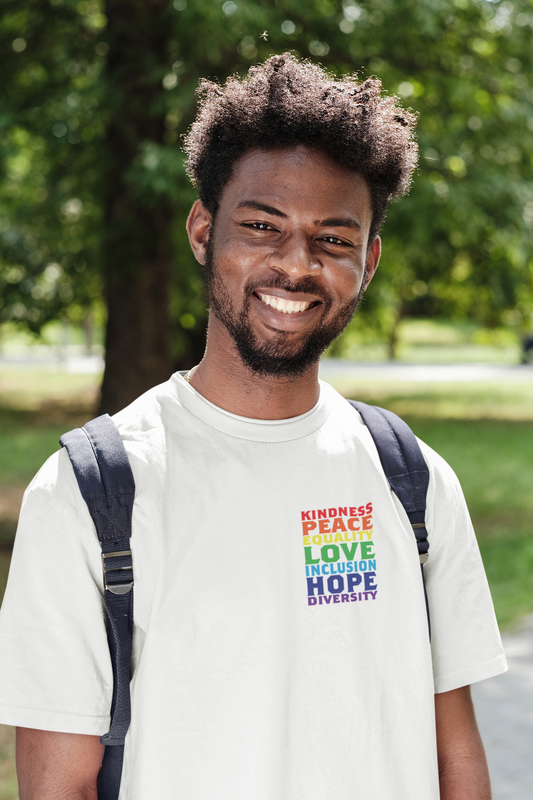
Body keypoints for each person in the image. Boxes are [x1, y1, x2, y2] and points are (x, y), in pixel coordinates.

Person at [0, 54, 506, 800]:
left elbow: (454, 759)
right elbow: (56, 789)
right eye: (262, 225)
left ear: (367, 262)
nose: (294, 265)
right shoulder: (91, 491)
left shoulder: (412, 479)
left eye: (332, 239)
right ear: (203, 230)